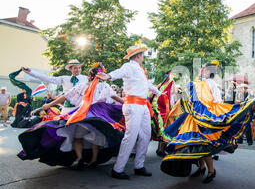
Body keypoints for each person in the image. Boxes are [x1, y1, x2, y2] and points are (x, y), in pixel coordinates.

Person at [160, 61, 255, 183]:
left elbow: (216, 102)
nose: (200, 70)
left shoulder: (210, 84)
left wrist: (209, 113)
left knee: (203, 145)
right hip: (194, 119)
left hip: (204, 119)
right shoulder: (197, 84)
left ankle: (211, 171)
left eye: (202, 69)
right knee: (196, 145)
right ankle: (201, 168)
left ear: (207, 71)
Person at [96, 44, 163, 180]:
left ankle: (139, 165)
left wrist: (160, 93)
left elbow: (147, 85)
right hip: (133, 105)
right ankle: (118, 169)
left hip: (143, 106)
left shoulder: (140, 70)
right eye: (143, 55)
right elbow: (119, 72)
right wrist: (109, 76)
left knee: (146, 135)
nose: (143, 57)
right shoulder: (130, 66)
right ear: (138, 55)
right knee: (130, 137)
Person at [42, 64, 124, 168]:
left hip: (84, 113)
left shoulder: (82, 86)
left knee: (78, 137)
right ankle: (94, 159)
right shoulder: (104, 86)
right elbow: (116, 98)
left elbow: (65, 96)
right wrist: (130, 103)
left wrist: (49, 104)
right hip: (99, 114)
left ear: (89, 76)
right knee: (97, 136)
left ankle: (80, 159)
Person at [22, 59, 88, 114]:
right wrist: (30, 72)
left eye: (79, 68)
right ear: (70, 69)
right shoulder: (64, 79)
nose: (78, 70)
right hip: (67, 108)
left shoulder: (86, 79)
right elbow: (48, 79)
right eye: (75, 68)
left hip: (80, 107)